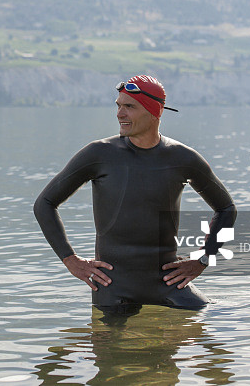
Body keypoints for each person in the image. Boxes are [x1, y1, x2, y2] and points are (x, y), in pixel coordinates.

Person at [33, 75, 236, 313]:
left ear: (155, 112)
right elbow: (44, 204)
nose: (120, 114)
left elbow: (226, 209)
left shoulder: (183, 159)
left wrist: (203, 260)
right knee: (113, 350)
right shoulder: (99, 154)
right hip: (113, 288)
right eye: (118, 106)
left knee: (224, 326)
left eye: (129, 107)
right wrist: (71, 261)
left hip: (168, 285)